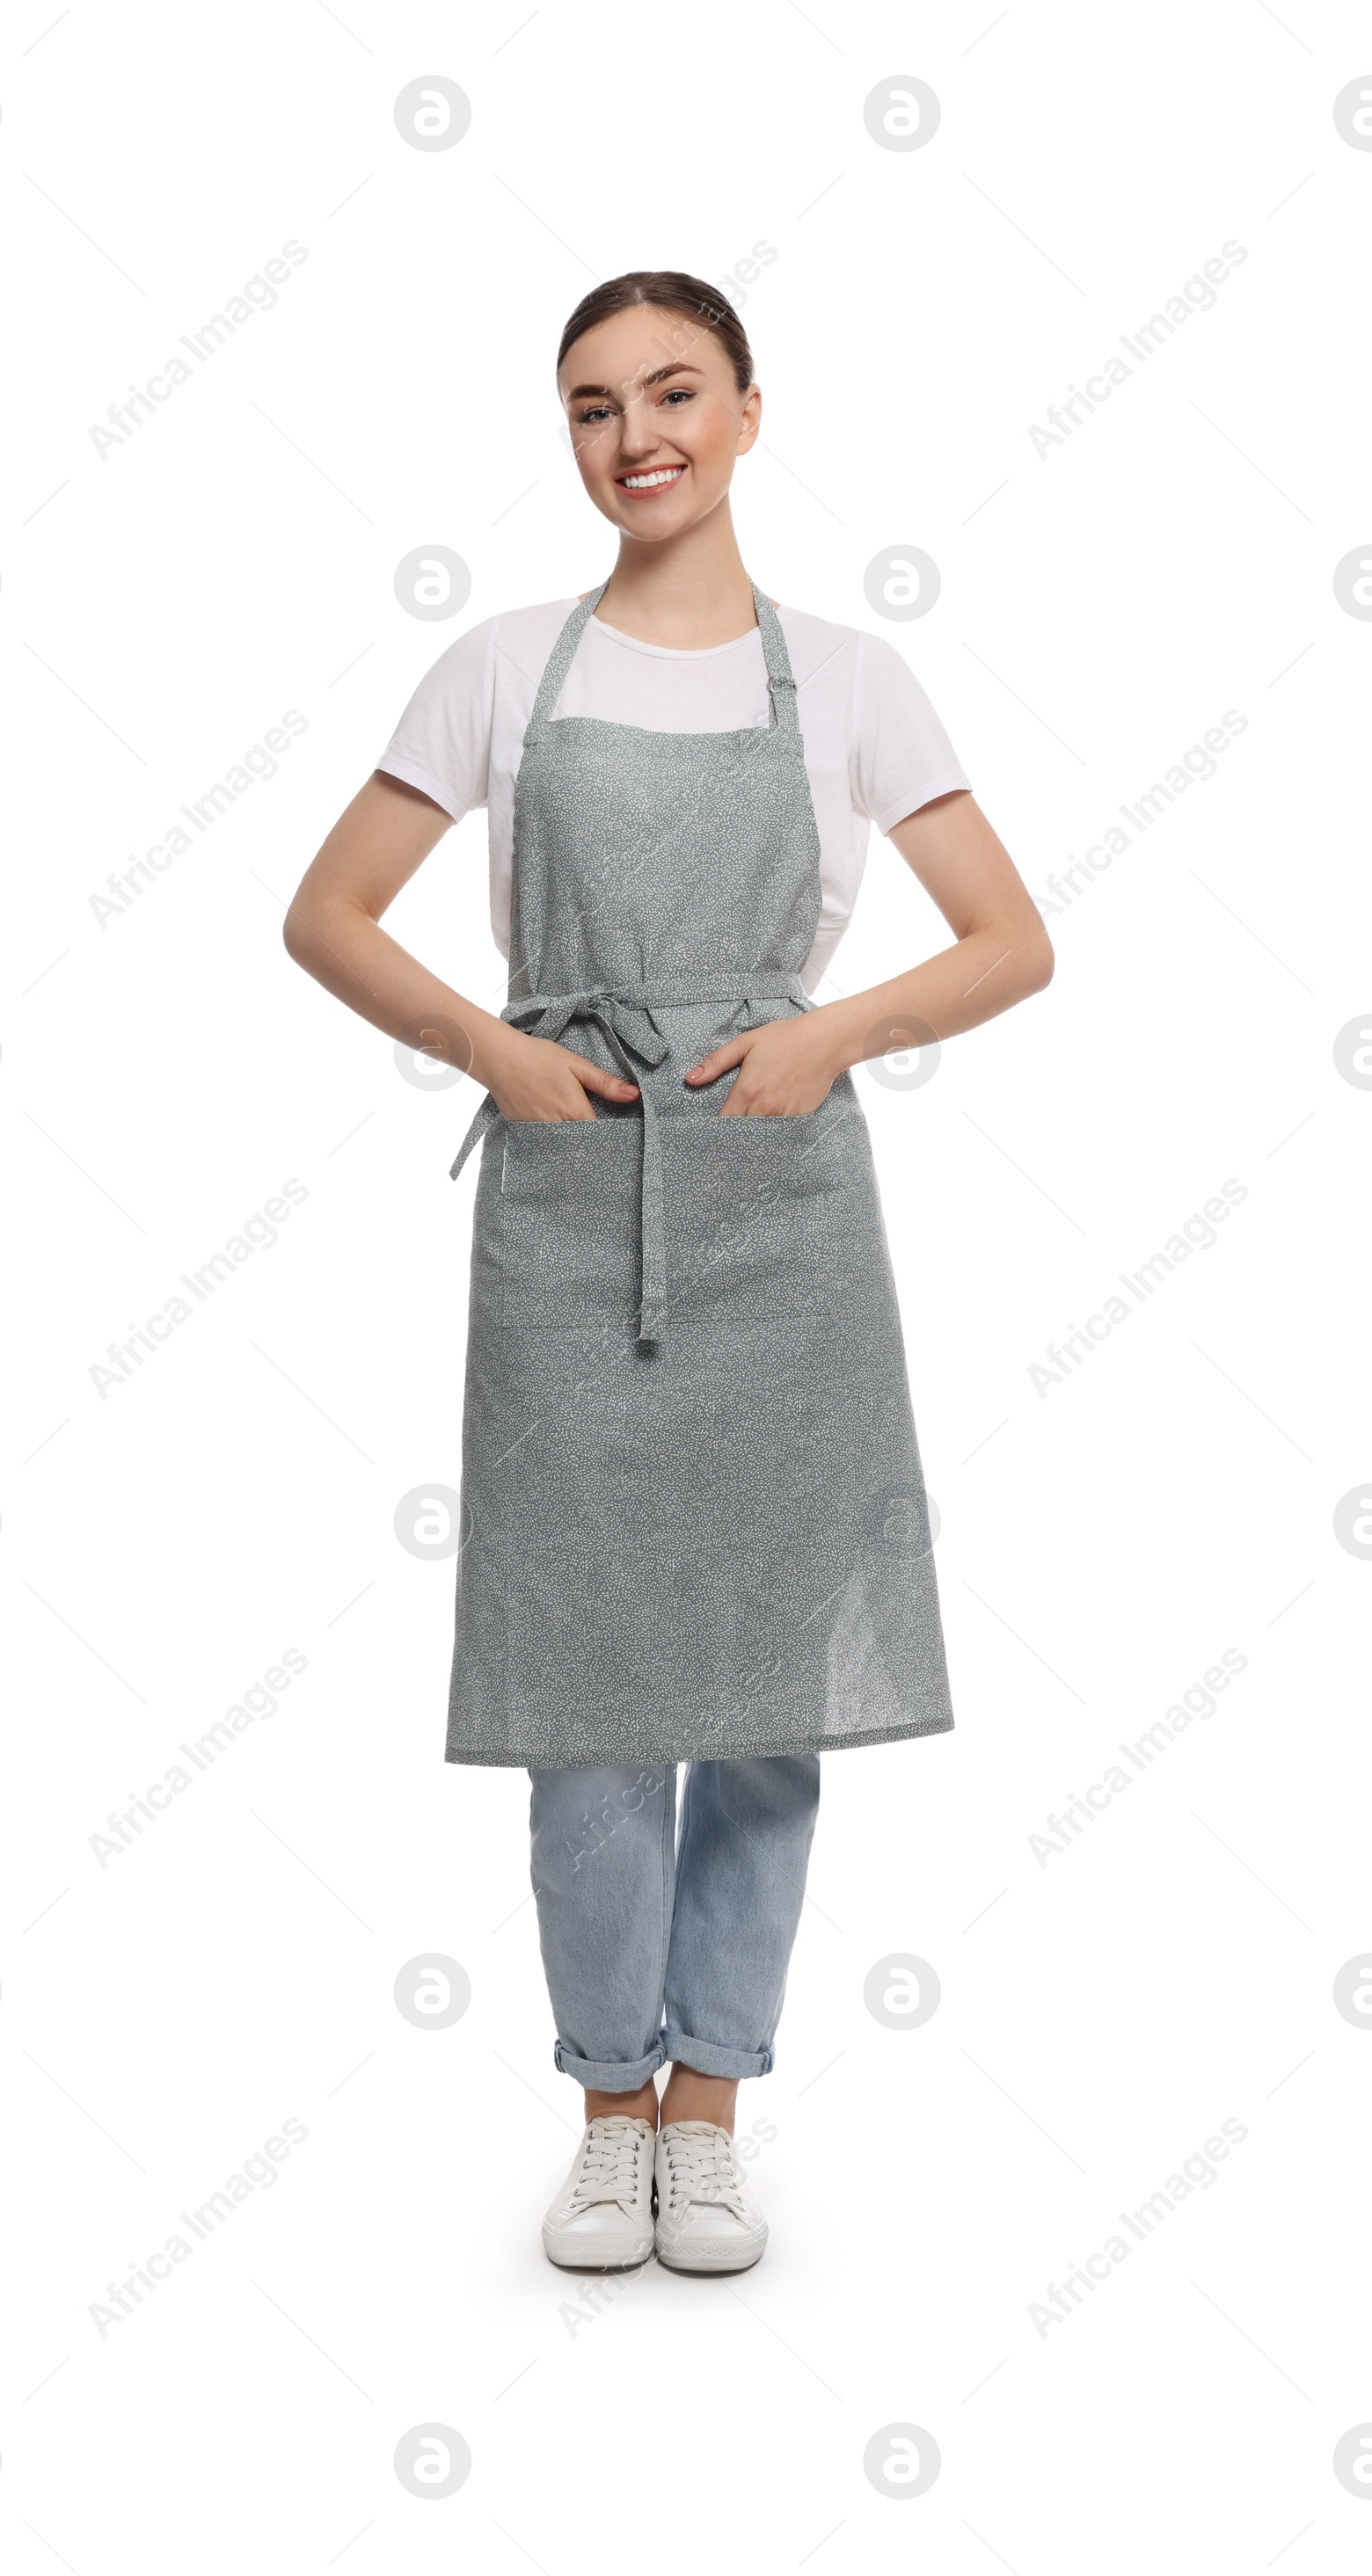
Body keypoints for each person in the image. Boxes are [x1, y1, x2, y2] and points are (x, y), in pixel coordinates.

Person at [284, 270, 1053, 2278]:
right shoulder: (497, 665)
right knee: (585, 1692)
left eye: (674, 393)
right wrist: (493, 1053)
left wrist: (825, 1036)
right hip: (564, 1208)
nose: (637, 435)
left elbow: (1006, 938)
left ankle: (710, 2100)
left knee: (773, 1689)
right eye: (593, 404)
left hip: (777, 1214)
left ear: (746, 411)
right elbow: (327, 912)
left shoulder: (855, 678)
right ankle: (604, 2101)